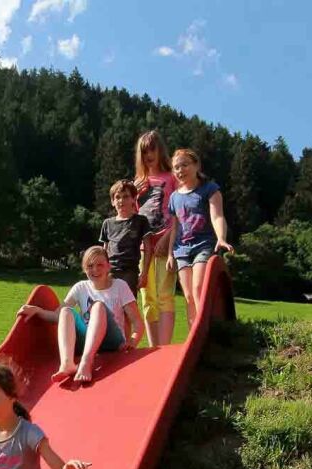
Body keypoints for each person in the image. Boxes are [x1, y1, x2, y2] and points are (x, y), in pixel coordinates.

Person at [18, 246, 145, 385]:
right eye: (90, 266)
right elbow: (58, 316)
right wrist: (38, 311)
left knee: (97, 306)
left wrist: (132, 342)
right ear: (84, 269)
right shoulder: (80, 287)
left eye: (100, 265)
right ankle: (67, 363)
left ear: (109, 267)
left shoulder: (120, 286)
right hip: (87, 341)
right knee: (66, 311)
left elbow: (137, 322)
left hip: (112, 341)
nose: (95, 270)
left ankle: (86, 362)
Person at [166, 148, 233, 323]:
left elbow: (217, 216)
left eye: (184, 165)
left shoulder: (209, 189)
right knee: (188, 296)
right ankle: (193, 339)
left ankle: (206, 331)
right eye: (176, 167)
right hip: (181, 250)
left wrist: (221, 238)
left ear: (196, 165)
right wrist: (169, 254)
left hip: (203, 245)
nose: (180, 170)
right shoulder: (174, 197)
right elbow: (174, 228)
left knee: (198, 289)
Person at [133, 131, 179, 347]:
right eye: (144, 151)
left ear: (161, 150)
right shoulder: (138, 183)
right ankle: (153, 348)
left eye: (152, 149)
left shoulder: (172, 178)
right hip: (144, 248)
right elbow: (131, 217)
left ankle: (165, 348)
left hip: (165, 245)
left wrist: (167, 238)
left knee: (164, 295)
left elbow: (180, 214)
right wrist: (134, 194)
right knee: (148, 298)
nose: (148, 154)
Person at [98, 179, 151, 299]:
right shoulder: (107, 223)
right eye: (117, 197)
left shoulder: (140, 221)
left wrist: (145, 273)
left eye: (126, 196)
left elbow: (148, 248)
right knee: (107, 303)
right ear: (112, 201)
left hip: (129, 271)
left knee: (127, 306)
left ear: (133, 199)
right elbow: (104, 250)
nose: (121, 201)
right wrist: (102, 270)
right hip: (110, 271)